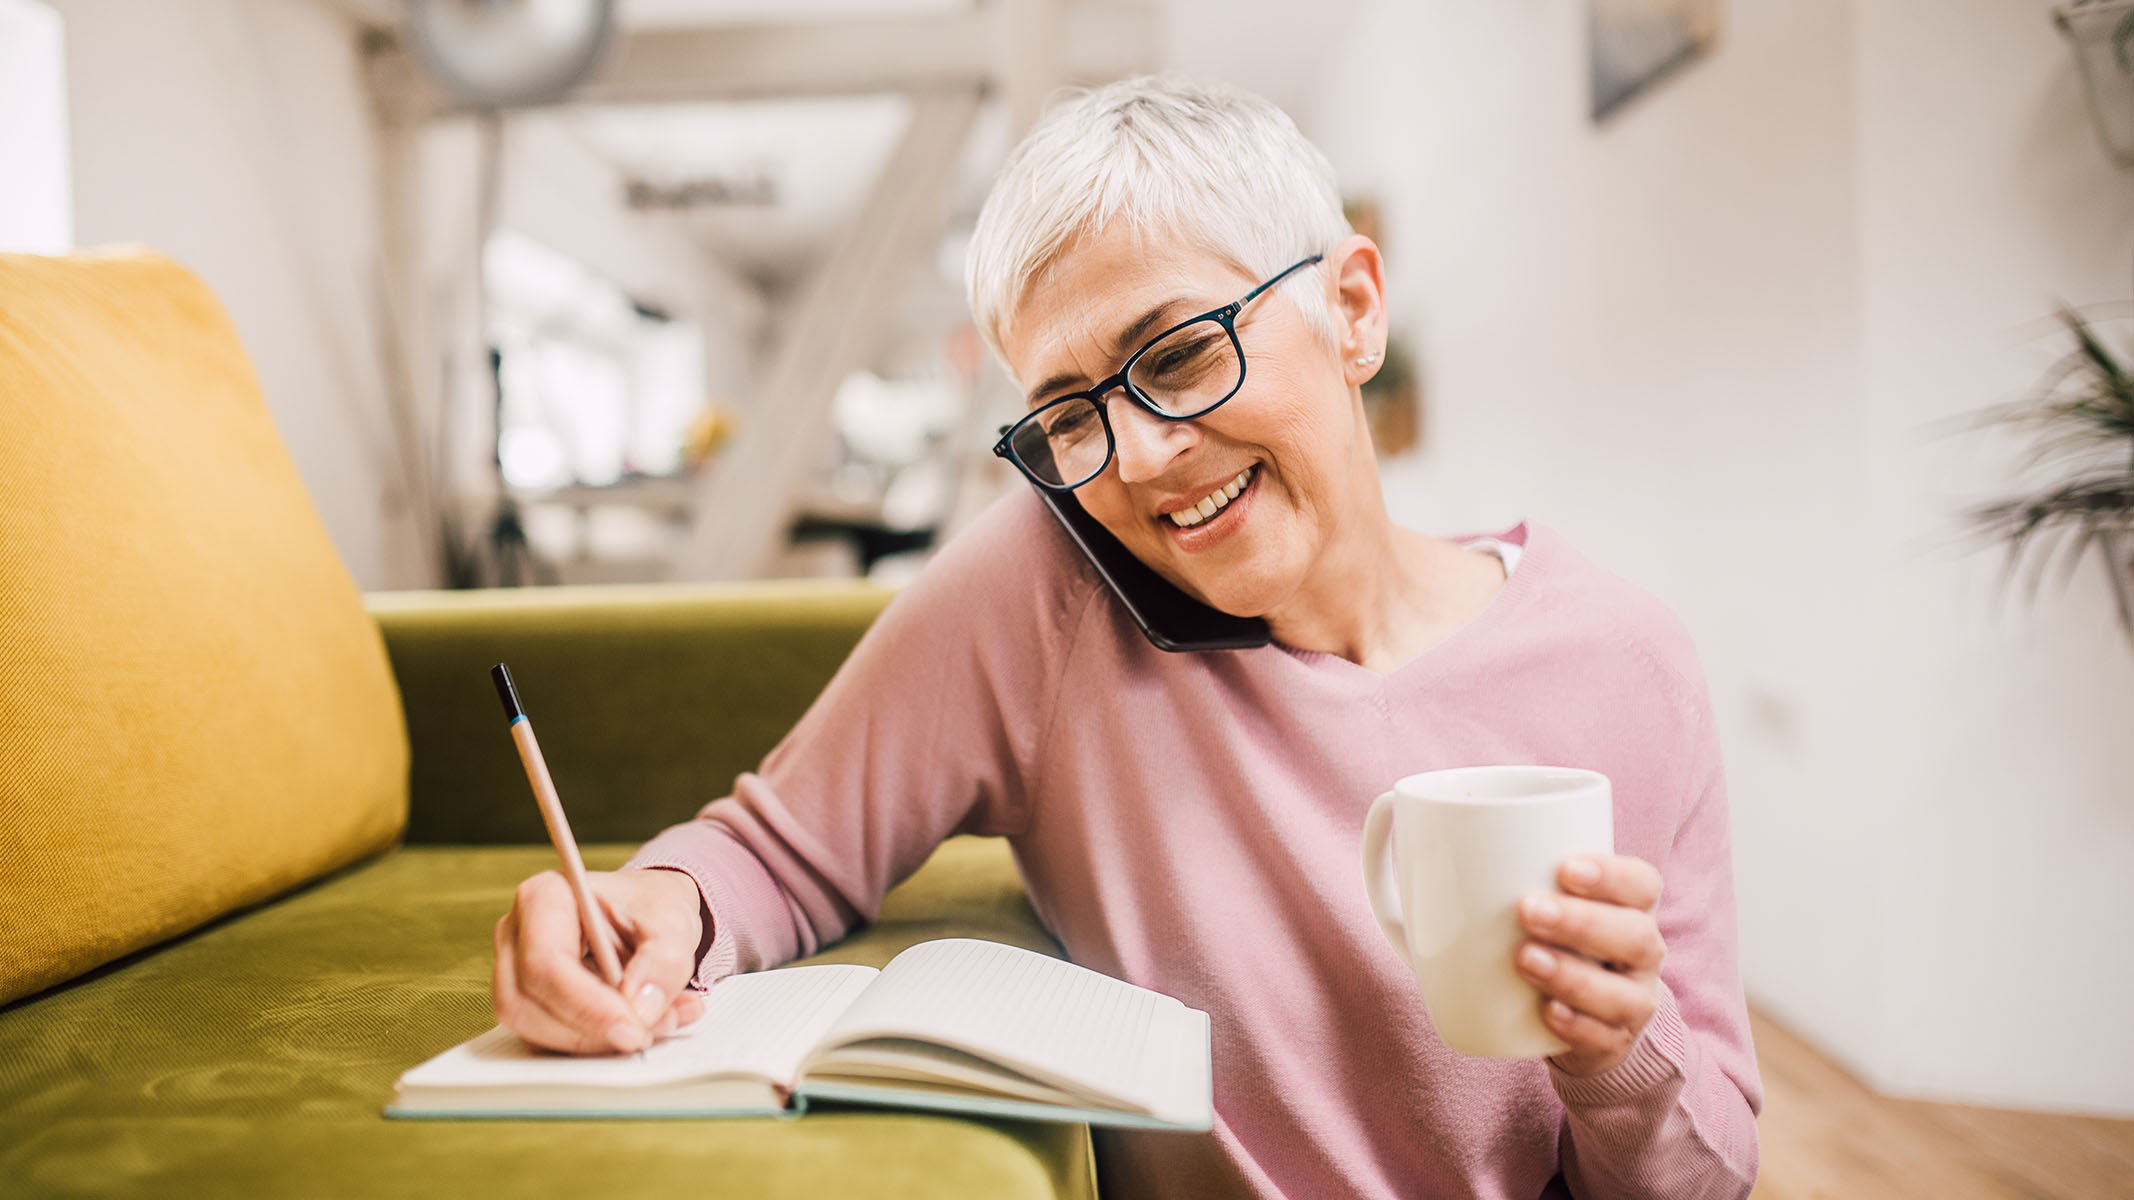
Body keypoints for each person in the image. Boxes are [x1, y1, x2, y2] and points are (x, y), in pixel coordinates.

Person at [489, 77, 1762, 1199]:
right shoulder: (1048, 590)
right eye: (1067, 412)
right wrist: (651, 905)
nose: (1142, 456)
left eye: (1180, 352)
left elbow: (1703, 1181)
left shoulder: (1624, 665)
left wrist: (1612, 1052)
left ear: (1353, 310)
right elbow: (784, 847)